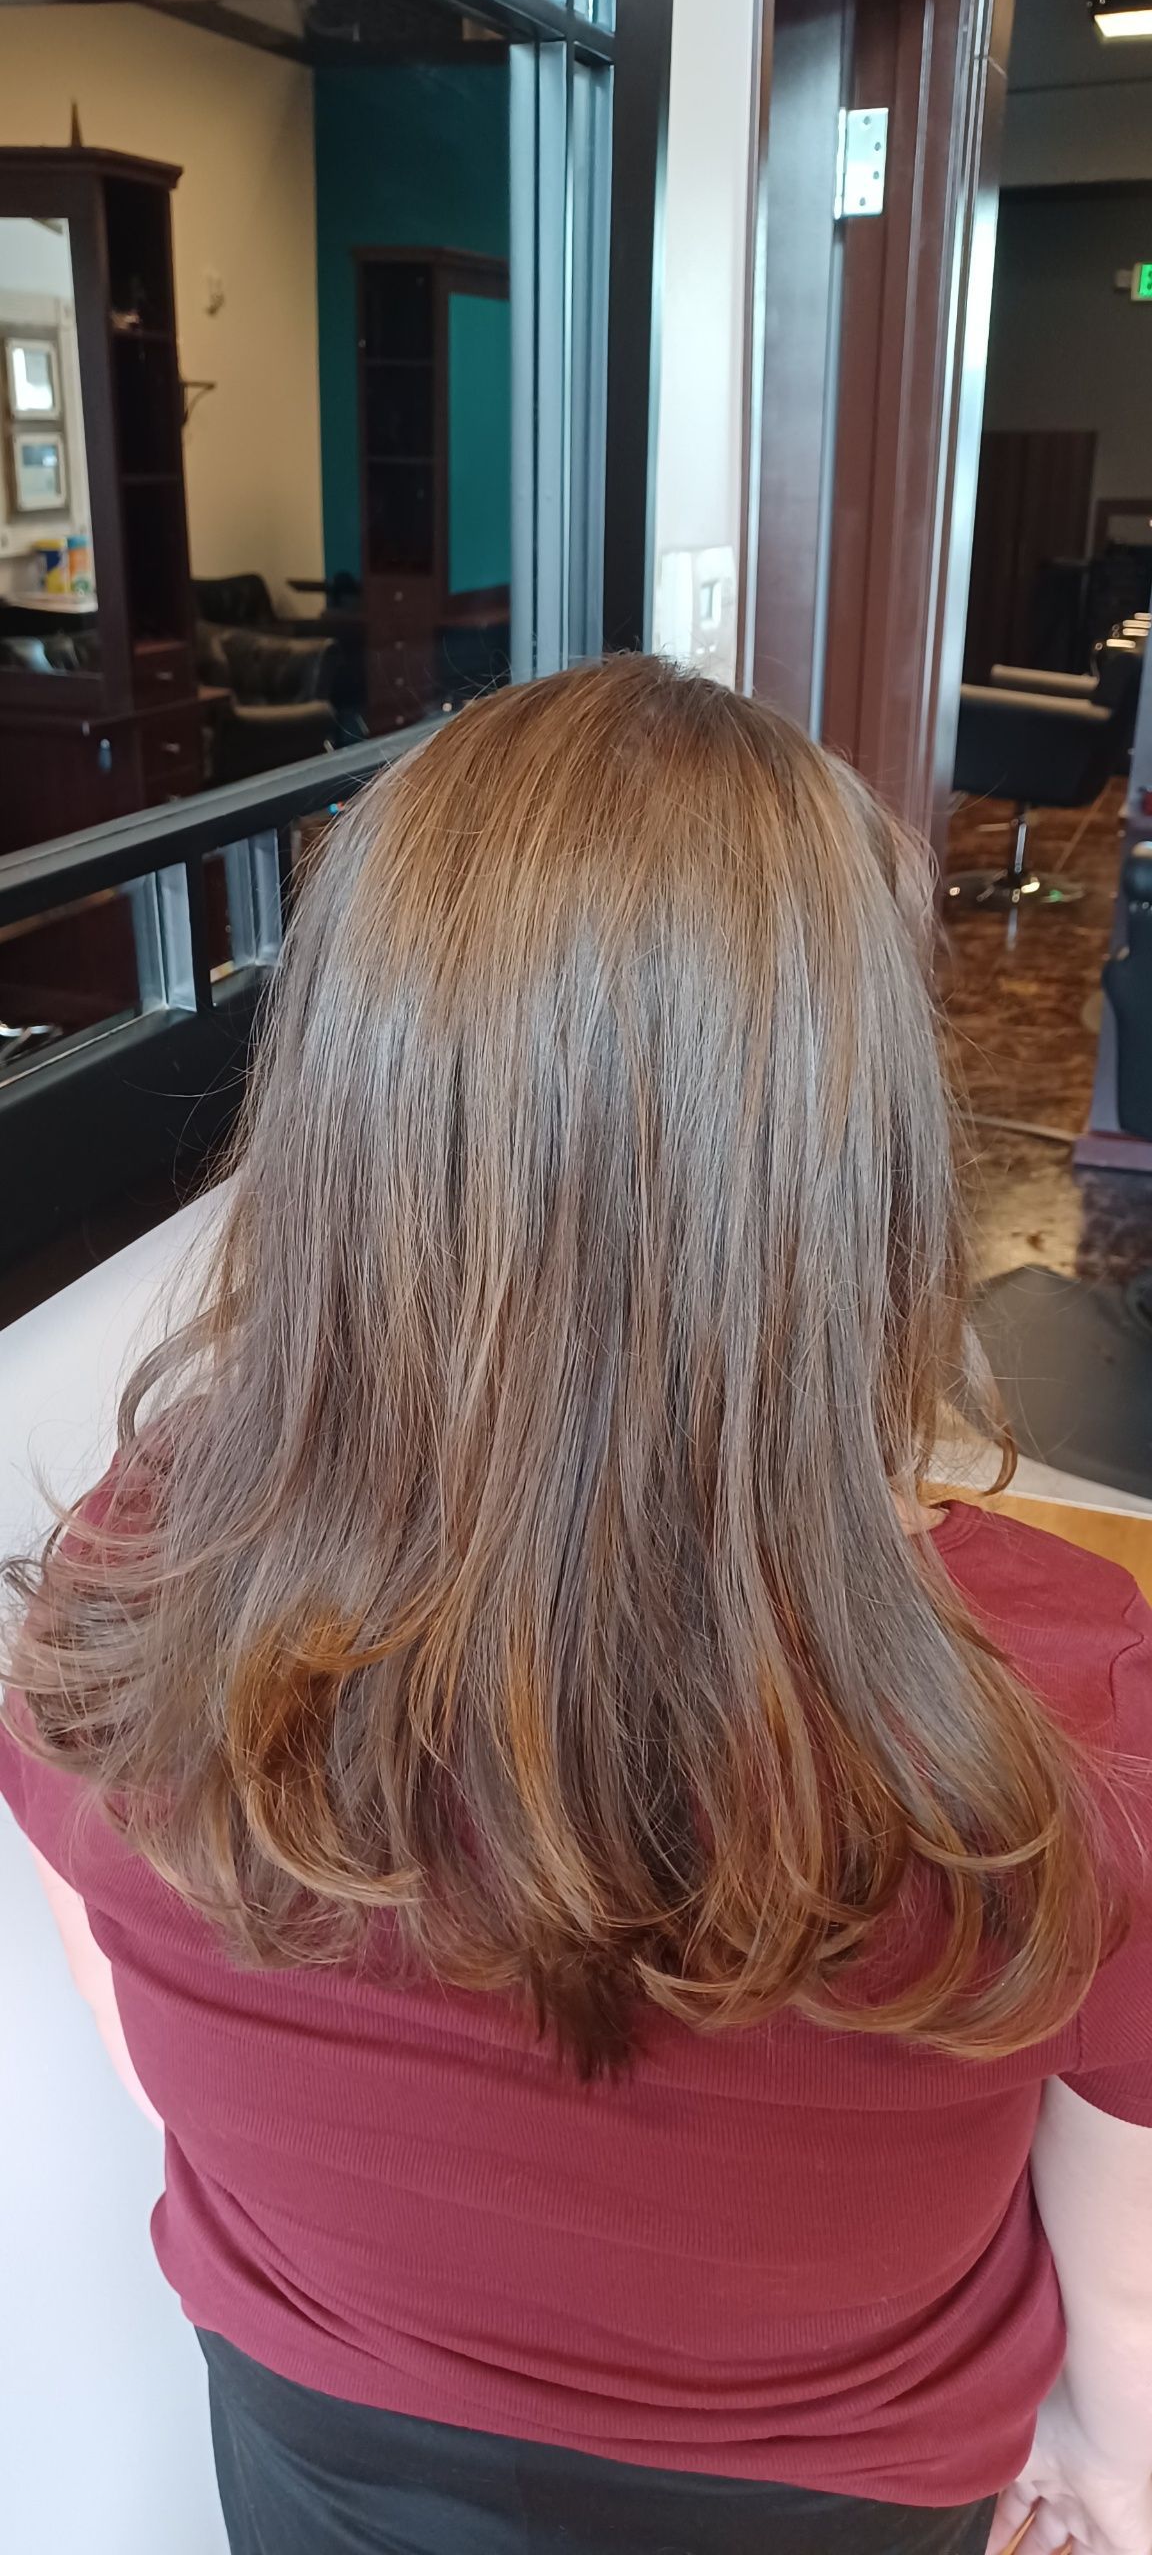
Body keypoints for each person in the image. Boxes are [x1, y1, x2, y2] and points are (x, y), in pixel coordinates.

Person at [3, 656, 1152, 2555]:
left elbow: (149, 2051)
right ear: (847, 1166)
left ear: (361, 1117)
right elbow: (1124, 2247)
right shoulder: (1063, 1691)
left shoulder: (144, 1591)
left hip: (318, 2462)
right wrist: (1113, 2452)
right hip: (842, 2506)